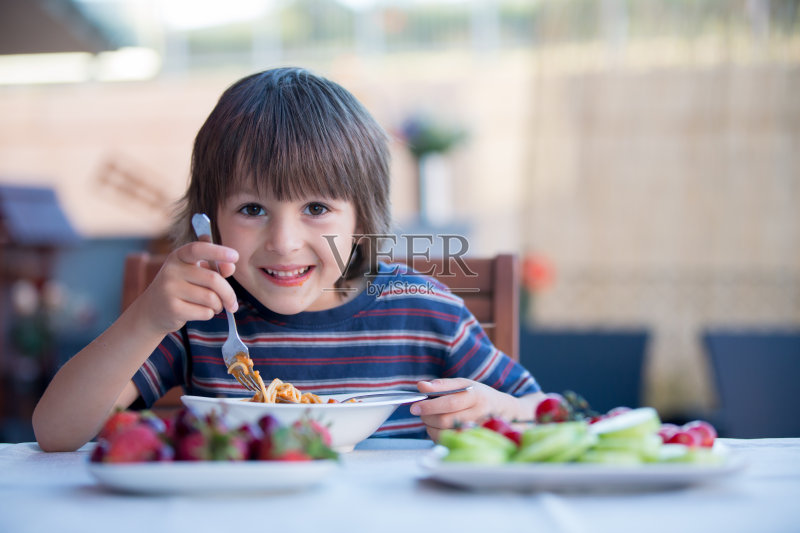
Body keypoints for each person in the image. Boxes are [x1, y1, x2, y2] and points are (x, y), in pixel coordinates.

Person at [33, 67, 544, 452]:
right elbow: (57, 434)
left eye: (316, 209)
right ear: (210, 218)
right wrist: (145, 320)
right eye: (252, 209)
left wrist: (500, 410)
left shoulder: (423, 309)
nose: (283, 241)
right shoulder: (200, 317)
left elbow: (547, 412)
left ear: (361, 218)